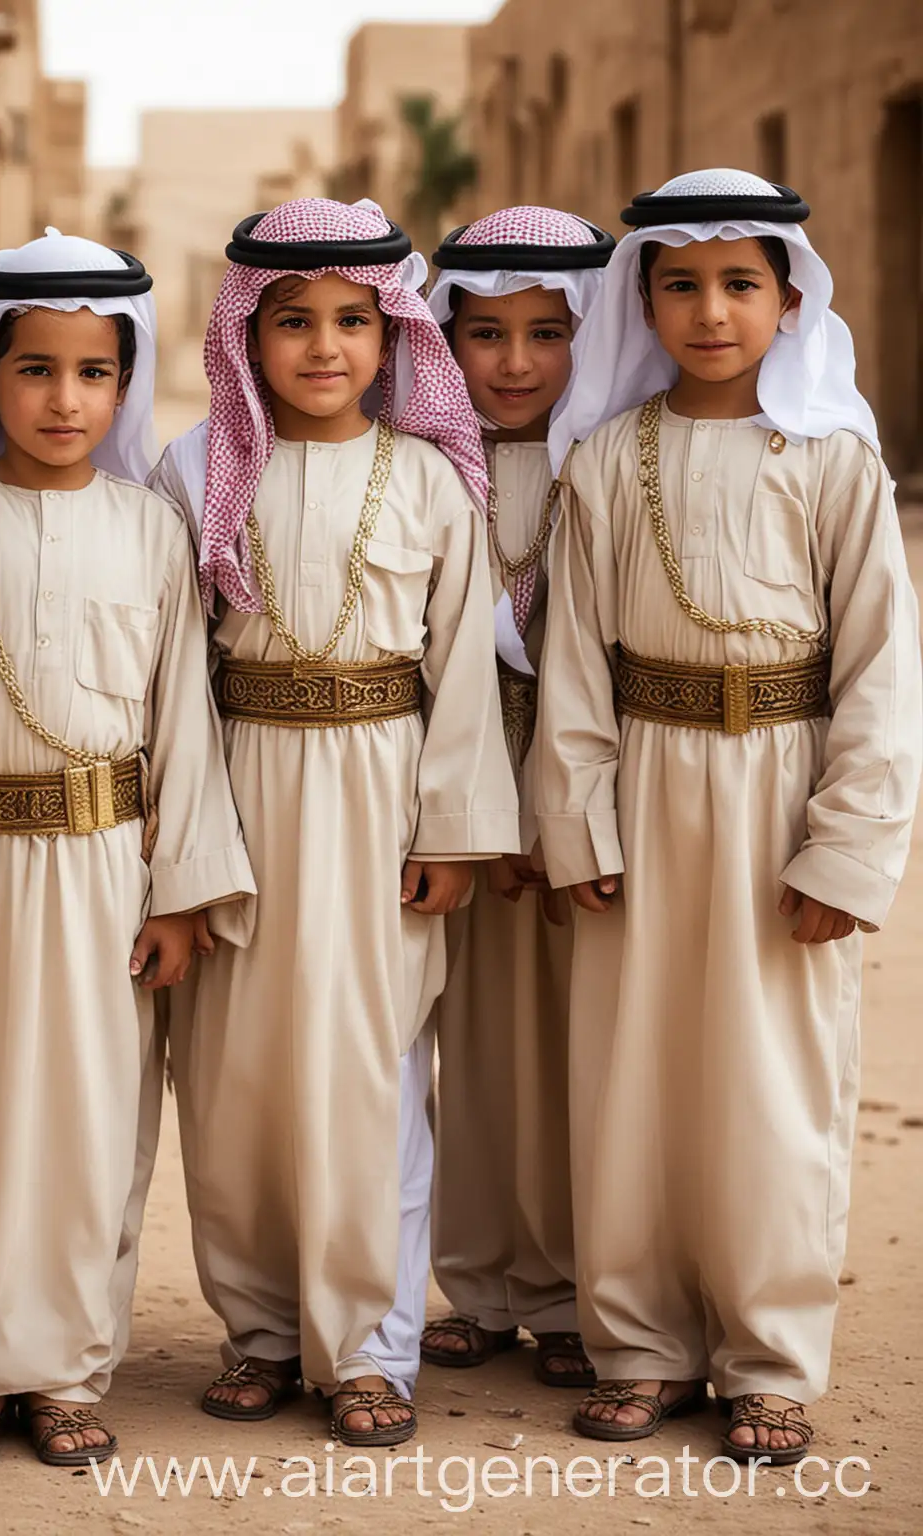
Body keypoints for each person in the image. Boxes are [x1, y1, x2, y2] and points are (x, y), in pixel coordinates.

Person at [0, 230, 253, 1468]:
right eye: (34, 370)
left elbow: (187, 723)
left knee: (89, 1127)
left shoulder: (152, 532)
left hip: (107, 876)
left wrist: (179, 893)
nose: (62, 399)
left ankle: (68, 1370)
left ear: (125, 389)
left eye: (92, 374)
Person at [536, 169, 922, 1463]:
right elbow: (576, 671)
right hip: (645, 785)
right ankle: (638, 1344)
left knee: (774, 1084)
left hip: (781, 789)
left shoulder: (835, 461)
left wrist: (847, 846)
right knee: (631, 1077)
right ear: (642, 299)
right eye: (683, 284)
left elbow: (879, 672)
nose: (711, 311)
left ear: (790, 297)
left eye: (741, 284)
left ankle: (766, 1357)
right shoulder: (605, 458)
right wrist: (578, 822)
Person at [150, 197, 518, 1448]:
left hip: (378, 800)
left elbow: (462, 666)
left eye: (352, 321)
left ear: (391, 334)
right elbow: (172, 682)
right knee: (235, 1079)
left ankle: (369, 1349)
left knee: (367, 1081)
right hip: (239, 791)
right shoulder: (192, 471)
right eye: (292, 320)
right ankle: (258, 1333)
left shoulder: (429, 475)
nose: (322, 347)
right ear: (245, 334)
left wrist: (454, 828)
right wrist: (186, 854)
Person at [412, 207, 613, 1391]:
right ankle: (481, 1285)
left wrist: (565, 810)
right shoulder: (426, 465)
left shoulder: (614, 457)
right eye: (485, 334)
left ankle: (587, 1289)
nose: (517, 363)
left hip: (589, 807)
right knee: (477, 1048)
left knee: (587, 1047)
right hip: (454, 807)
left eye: (548, 332)